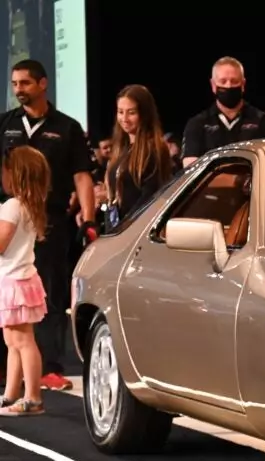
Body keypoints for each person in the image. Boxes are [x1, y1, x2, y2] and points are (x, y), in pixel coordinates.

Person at [0, 58, 95, 391]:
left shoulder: (67, 127)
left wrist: (90, 219)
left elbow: (82, 176)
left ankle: (50, 368)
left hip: (50, 220)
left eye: (24, 83)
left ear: (42, 84)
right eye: (14, 84)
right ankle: (8, 368)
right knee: (9, 296)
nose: (18, 90)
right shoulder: (5, 123)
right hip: (9, 218)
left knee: (50, 294)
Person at [0, 146, 50, 415]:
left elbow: (1, 244)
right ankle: (11, 395)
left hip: (14, 282)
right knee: (13, 342)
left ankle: (32, 398)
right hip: (20, 280)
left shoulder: (13, 206)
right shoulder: (27, 205)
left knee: (22, 342)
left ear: (14, 174)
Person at [181, 56, 265, 167]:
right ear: (213, 85)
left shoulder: (263, 121)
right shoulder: (197, 124)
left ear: (243, 84)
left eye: (234, 81)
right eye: (223, 81)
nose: (229, 86)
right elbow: (190, 167)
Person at [104, 85, 174, 230]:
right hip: (117, 230)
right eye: (120, 112)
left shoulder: (154, 149)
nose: (124, 119)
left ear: (144, 114)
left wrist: (125, 227)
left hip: (137, 232)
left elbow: (150, 197)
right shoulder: (121, 148)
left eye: (131, 113)